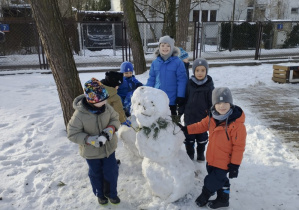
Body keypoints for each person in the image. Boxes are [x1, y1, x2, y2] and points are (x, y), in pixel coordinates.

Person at [178, 87, 246, 209]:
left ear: (231, 103)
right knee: (221, 181)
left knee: (211, 181)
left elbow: (239, 147)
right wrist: (186, 129)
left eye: (226, 103)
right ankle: (223, 199)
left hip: (225, 162)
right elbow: (200, 126)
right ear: (214, 105)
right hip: (212, 159)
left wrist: (235, 165)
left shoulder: (236, 125)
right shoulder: (212, 118)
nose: (222, 106)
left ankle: (206, 194)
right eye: (218, 103)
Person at [67, 78, 121, 206]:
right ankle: (100, 195)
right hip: (91, 153)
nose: (105, 102)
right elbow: (72, 133)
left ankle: (112, 194)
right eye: (101, 100)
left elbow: (115, 119)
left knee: (111, 171)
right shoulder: (80, 115)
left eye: (105, 99)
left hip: (109, 149)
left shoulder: (106, 107)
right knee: (96, 174)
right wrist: (88, 139)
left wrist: (111, 129)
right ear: (92, 100)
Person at [179, 58, 214, 161]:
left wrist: (211, 113)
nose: (200, 73)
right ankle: (190, 154)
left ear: (206, 71)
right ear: (194, 71)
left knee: (202, 138)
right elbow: (185, 97)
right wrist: (181, 109)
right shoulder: (190, 84)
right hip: (189, 117)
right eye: (197, 70)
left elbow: (211, 102)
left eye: (203, 70)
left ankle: (200, 153)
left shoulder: (209, 86)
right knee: (189, 138)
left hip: (203, 118)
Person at [146, 35, 188, 116]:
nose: (165, 48)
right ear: (159, 47)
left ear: (172, 47)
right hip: (157, 97)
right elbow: (152, 79)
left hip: (171, 99)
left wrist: (181, 95)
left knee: (170, 122)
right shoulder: (155, 63)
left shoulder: (178, 62)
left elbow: (182, 80)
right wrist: (147, 92)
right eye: (162, 45)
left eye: (168, 46)